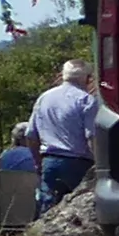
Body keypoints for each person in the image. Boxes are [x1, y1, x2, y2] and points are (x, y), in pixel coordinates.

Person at [25, 58, 105, 217]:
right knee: (81, 212)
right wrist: (100, 165)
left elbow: (30, 135)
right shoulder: (86, 101)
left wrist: (38, 163)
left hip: (49, 161)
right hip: (78, 163)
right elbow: (91, 138)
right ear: (87, 78)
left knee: (48, 211)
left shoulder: (44, 98)